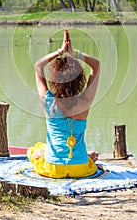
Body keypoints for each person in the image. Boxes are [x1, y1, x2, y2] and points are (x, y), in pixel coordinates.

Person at [28, 29, 100, 178]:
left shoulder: (49, 102)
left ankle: (83, 155)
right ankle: (85, 156)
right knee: (79, 154)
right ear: (80, 80)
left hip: (54, 169)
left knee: (35, 149)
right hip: (80, 168)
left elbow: (38, 66)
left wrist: (59, 51)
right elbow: (97, 66)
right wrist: (75, 54)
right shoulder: (85, 101)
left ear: (55, 80)